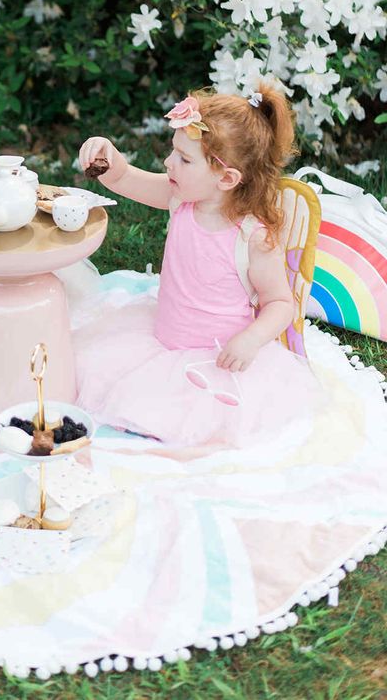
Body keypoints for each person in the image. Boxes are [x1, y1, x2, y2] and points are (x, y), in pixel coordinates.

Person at [73, 85, 325, 448]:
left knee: (198, 424)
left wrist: (251, 340)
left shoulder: (252, 237)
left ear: (226, 178)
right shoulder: (181, 199)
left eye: (184, 159)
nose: (168, 163)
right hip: (161, 341)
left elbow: (280, 303)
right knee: (115, 384)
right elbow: (126, 179)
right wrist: (107, 157)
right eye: (173, 152)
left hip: (216, 361)